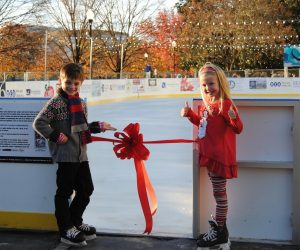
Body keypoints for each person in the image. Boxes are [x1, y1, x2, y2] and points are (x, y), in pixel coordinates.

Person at [32, 63, 117, 247]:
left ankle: (75, 221)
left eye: (76, 83)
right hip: (65, 156)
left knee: (87, 189)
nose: (72, 86)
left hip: (81, 155)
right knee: (64, 193)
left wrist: (97, 126)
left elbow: (82, 128)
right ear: (60, 81)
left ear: (81, 84)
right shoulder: (55, 103)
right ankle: (66, 229)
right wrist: (55, 135)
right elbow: (38, 123)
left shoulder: (81, 103)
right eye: (68, 82)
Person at [181, 62, 243, 250]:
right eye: (204, 85)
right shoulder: (207, 106)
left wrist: (233, 117)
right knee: (218, 193)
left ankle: (220, 231)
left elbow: (238, 128)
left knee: (219, 194)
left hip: (220, 157)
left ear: (220, 83)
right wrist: (190, 114)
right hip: (210, 156)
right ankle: (220, 230)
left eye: (211, 84)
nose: (208, 88)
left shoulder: (225, 104)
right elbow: (202, 125)